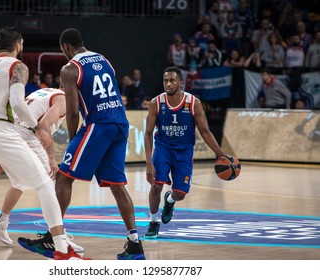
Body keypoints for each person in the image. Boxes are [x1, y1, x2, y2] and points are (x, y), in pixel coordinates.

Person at [17, 28, 146, 260]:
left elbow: (73, 110)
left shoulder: (70, 68)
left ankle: (52, 237)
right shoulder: (105, 60)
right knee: (118, 186)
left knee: (64, 177)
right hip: (120, 123)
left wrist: (74, 140)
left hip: (98, 125)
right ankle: (135, 244)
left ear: (66, 47)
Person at [0, 26, 86, 260]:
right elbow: (18, 103)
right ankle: (60, 245)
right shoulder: (17, 66)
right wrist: (37, 128)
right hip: (4, 129)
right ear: (19, 45)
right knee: (47, 183)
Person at [0, 87, 84, 256]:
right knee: (53, 184)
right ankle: (58, 237)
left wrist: (4, 151)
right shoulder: (63, 99)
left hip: (11, 133)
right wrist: (51, 157)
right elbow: (44, 125)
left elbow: (16, 112)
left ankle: (0, 223)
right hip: (29, 136)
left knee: (19, 182)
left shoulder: (43, 91)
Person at [144, 66, 225, 238]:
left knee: (180, 194)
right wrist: (148, 163)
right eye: (165, 80)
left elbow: (205, 131)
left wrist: (220, 154)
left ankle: (170, 201)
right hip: (163, 149)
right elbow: (148, 133)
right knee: (156, 186)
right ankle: (153, 222)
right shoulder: (156, 103)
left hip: (184, 152)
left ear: (180, 83)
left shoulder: (193, 102)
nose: (168, 83)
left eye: (172, 80)